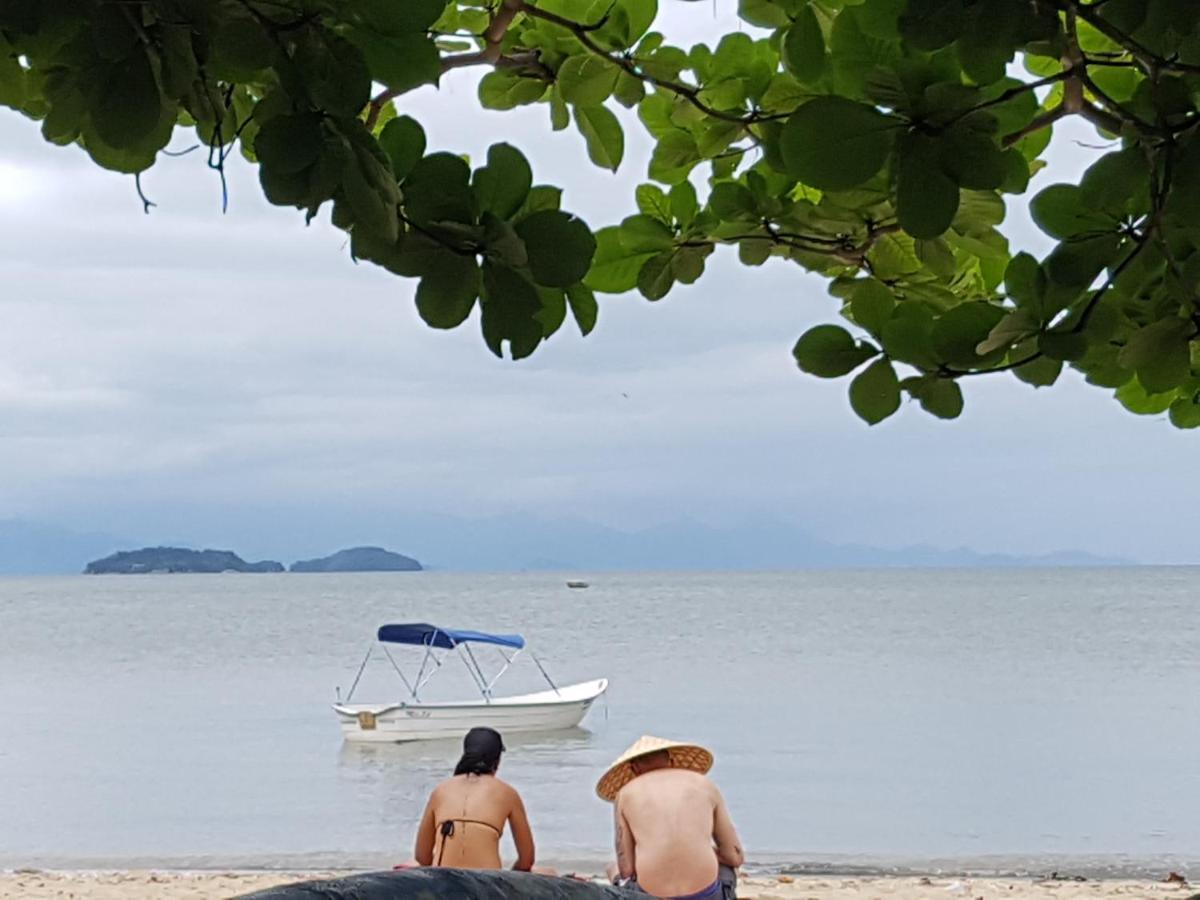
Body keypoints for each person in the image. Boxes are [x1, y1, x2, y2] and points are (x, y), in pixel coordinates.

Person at [597, 735, 744, 900]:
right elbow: (735, 856)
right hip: (707, 894)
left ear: (634, 768)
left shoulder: (625, 794)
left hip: (650, 896)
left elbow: (627, 868)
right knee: (726, 867)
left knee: (613, 868)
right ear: (671, 760)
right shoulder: (704, 784)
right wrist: (705, 850)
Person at [412, 727, 536, 871]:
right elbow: (527, 860)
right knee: (545, 872)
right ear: (497, 761)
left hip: (445, 884)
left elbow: (422, 857)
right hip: (487, 885)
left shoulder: (440, 791)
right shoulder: (507, 793)